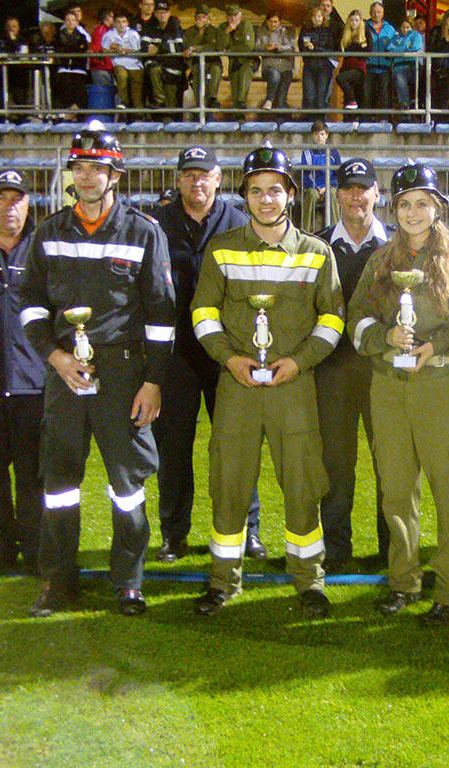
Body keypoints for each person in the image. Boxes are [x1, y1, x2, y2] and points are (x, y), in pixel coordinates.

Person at [19, 123, 176, 618]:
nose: (87, 177)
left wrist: (153, 382)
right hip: (64, 373)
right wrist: (56, 357)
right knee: (59, 485)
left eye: (97, 168)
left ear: (115, 175)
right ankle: (58, 580)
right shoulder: (48, 232)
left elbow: (162, 316)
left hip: (124, 375)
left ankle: (128, 581)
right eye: (80, 168)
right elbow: (30, 307)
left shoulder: (144, 232)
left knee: (127, 486)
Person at [190, 145, 344, 618]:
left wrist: (300, 362)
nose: (266, 199)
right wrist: (229, 359)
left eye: (274, 189)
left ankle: (309, 580)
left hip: (293, 386)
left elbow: (333, 319)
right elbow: (203, 312)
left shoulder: (317, 253)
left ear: (291, 194)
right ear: (245, 196)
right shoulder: (221, 248)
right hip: (237, 385)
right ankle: (223, 581)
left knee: (302, 484)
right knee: (229, 483)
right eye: (255, 190)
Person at [347, 163, 449, 625]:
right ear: (395, 209)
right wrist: (384, 337)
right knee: (396, 490)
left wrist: (436, 346)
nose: (413, 212)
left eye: (422, 203)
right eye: (405, 204)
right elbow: (356, 319)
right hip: (388, 386)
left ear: (437, 207)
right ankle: (403, 581)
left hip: (439, 385)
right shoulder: (380, 260)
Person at [150, 146, 268, 564]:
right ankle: (173, 534)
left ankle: (248, 530)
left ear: (219, 178)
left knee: (236, 447)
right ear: (178, 179)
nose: (196, 181)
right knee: (173, 449)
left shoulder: (240, 224)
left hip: (228, 354)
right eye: (189, 174)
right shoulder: (157, 225)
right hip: (177, 353)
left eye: (204, 174)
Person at [315, 158, 390, 569]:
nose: (356, 196)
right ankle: (336, 549)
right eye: (348, 188)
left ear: (377, 193)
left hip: (383, 371)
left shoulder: (398, 245)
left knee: (390, 464)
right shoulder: (317, 244)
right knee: (335, 464)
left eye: (364, 188)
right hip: (332, 371)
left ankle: (391, 550)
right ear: (338, 195)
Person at [0, 170, 43, 578]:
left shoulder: (41, 248)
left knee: (34, 475)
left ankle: (37, 551)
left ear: (28, 204)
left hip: (34, 384)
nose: (9, 206)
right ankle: (0, 550)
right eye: (0, 197)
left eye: (16, 198)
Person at [142, 1, 186, 113]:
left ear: (169, 13)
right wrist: (150, 48)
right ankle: (159, 99)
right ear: (155, 14)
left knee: (171, 107)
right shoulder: (150, 27)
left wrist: (159, 48)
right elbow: (144, 45)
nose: (162, 15)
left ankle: (171, 119)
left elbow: (179, 47)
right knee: (152, 68)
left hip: (173, 70)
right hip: (156, 69)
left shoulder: (175, 26)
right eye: (159, 12)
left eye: (164, 12)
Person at [299, 0, 343, 113]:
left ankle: (320, 120)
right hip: (310, 64)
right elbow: (301, 45)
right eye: (315, 16)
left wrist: (315, 49)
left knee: (322, 95)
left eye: (319, 16)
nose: (317, 19)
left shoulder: (332, 28)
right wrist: (306, 50)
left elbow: (333, 47)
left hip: (324, 65)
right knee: (309, 95)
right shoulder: (306, 29)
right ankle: (309, 120)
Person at [299, 121, 341, 237]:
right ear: (312, 135)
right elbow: (305, 175)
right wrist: (315, 187)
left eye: (322, 134)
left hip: (330, 186)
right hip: (314, 187)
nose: (319, 137)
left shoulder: (334, 152)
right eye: (316, 134)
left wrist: (328, 186)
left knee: (332, 194)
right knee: (311, 195)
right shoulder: (307, 153)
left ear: (326, 135)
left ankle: (336, 232)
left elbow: (338, 174)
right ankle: (305, 232)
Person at [217, 4, 257, 117]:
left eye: (235, 15)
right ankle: (239, 116)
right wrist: (227, 32)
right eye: (230, 16)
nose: (233, 18)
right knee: (235, 89)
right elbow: (220, 47)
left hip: (248, 60)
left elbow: (248, 47)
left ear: (240, 15)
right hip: (234, 62)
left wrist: (230, 50)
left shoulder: (246, 25)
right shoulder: (223, 27)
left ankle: (242, 103)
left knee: (243, 83)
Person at [183, 5, 223, 112]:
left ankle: (212, 99)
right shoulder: (190, 31)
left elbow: (212, 47)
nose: (201, 19)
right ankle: (199, 110)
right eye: (198, 17)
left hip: (212, 62)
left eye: (204, 17)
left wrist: (195, 48)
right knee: (199, 93)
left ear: (208, 18)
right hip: (196, 65)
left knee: (215, 71)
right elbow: (187, 47)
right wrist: (200, 34)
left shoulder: (214, 31)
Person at [103, 11, 144, 113]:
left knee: (136, 87)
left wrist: (123, 50)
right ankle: (124, 104)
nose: (121, 24)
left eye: (123, 21)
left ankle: (138, 112)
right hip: (118, 62)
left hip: (134, 63)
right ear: (114, 23)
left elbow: (137, 49)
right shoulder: (109, 35)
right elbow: (104, 50)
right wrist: (114, 50)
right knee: (122, 76)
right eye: (118, 22)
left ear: (127, 23)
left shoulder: (133, 34)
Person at [256, 10, 295, 112]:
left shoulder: (285, 32)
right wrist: (266, 47)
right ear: (267, 21)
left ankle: (280, 113)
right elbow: (256, 47)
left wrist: (278, 47)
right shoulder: (261, 32)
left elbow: (290, 47)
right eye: (271, 21)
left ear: (279, 22)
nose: (273, 24)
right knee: (275, 76)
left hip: (284, 67)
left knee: (282, 95)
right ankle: (269, 100)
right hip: (269, 67)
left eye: (275, 22)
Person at [53, 10, 89, 114]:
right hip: (63, 68)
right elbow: (58, 49)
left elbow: (82, 49)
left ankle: (73, 113)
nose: (70, 22)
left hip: (78, 69)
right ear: (64, 22)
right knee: (63, 86)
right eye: (68, 20)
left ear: (77, 22)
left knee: (79, 90)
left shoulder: (82, 37)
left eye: (73, 20)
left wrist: (69, 49)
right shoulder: (57, 36)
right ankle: (68, 113)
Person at [364, 2, 395, 118]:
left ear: (383, 13)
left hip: (385, 66)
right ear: (370, 13)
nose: (376, 14)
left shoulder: (390, 29)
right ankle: (367, 121)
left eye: (379, 12)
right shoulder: (364, 27)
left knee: (385, 96)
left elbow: (395, 46)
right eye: (374, 12)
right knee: (367, 96)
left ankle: (385, 120)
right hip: (368, 66)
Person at [428, 9, 449, 114]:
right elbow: (431, 48)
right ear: (445, 20)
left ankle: (448, 119)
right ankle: (438, 119)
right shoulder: (436, 31)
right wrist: (444, 40)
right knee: (439, 97)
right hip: (437, 69)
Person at [388, 16, 423, 112]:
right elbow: (390, 50)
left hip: (411, 66)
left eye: (407, 27)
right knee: (399, 77)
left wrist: (398, 49)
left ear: (412, 27)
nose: (405, 29)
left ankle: (405, 105)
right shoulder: (396, 37)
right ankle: (404, 106)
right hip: (398, 67)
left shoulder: (416, 36)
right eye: (403, 27)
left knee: (400, 78)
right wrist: (405, 49)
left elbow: (415, 48)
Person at [336, 9, 368, 110]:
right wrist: (359, 47)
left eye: (356, 20)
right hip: (346, 67)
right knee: (347, 99)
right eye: (352, 20)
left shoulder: (365, 33)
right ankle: (350, 110)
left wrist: (357, 49)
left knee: (341, 78)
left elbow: (368, 51)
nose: (354, 23)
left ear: (360, 22)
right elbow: (340, 48)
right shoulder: (345, 34)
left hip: (359, 68)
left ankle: (353, 101)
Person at [88, 7, 114, 88]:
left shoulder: (109, 30)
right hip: (101, 66)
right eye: (112, 16)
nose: (113, 19)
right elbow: (98, 47)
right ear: (107, 17)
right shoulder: (101, 30)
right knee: (104, 90)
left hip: (107, 66)